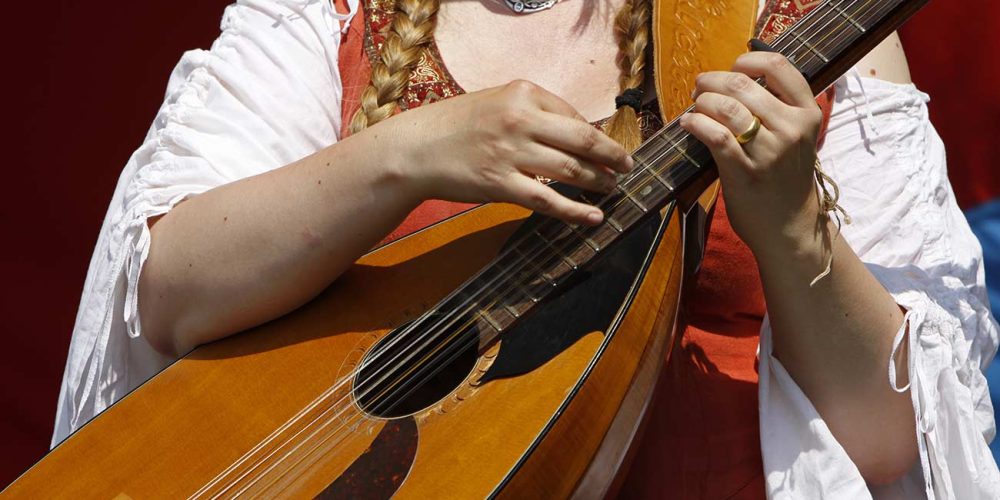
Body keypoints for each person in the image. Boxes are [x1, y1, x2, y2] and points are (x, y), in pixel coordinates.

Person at [51, 0, 999, 497]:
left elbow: (891, 443)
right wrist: (406, 154)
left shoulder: (803, 20)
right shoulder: (335, 14)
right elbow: (171, 292)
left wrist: (793, 226)